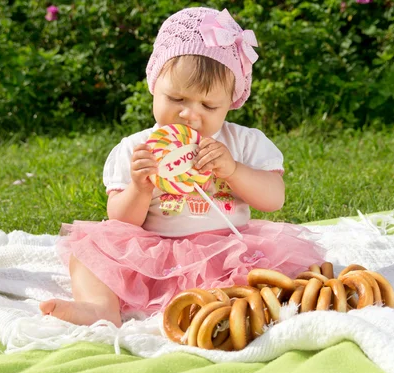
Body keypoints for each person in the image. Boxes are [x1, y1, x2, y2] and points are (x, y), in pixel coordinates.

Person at [39, 7, 324, 326]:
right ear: (153, 85)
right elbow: (121, 222)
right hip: (155, 256)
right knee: (89, 249)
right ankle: (99, 308)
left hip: (228, 250)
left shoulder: (242, 142)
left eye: (208, 105)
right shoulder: (136, 149)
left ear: (231, 101)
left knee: (279, 277)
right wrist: (140, 188)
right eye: (176, 99)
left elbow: (274, 200)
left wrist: (233, 170)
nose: (190, 114)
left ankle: (234, 307)